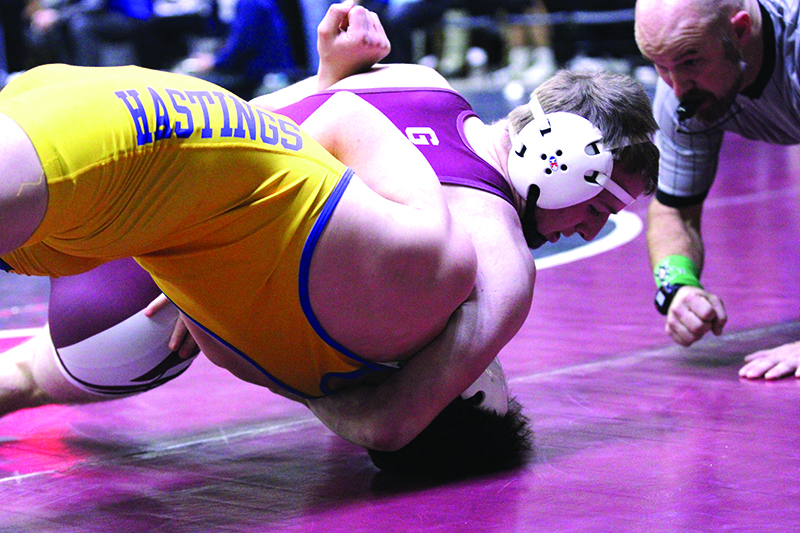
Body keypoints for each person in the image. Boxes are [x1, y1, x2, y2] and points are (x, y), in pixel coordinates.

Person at [0, 1, 657, 476]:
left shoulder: (416, 82)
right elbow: (392, 423)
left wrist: (327, 75)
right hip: (159, 293)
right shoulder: (499, 259)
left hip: (148, 156)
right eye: (599, 203)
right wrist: (281, 365)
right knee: (28, 375)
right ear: (566, 155)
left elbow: (265, 123)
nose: (588, 227)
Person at [633, 0, 800, 379]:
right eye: (660, 66)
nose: (677, 88)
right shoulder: (682, 95)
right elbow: (674, 209)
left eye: (690, 61)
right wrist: (677, 285)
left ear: (739, 31)